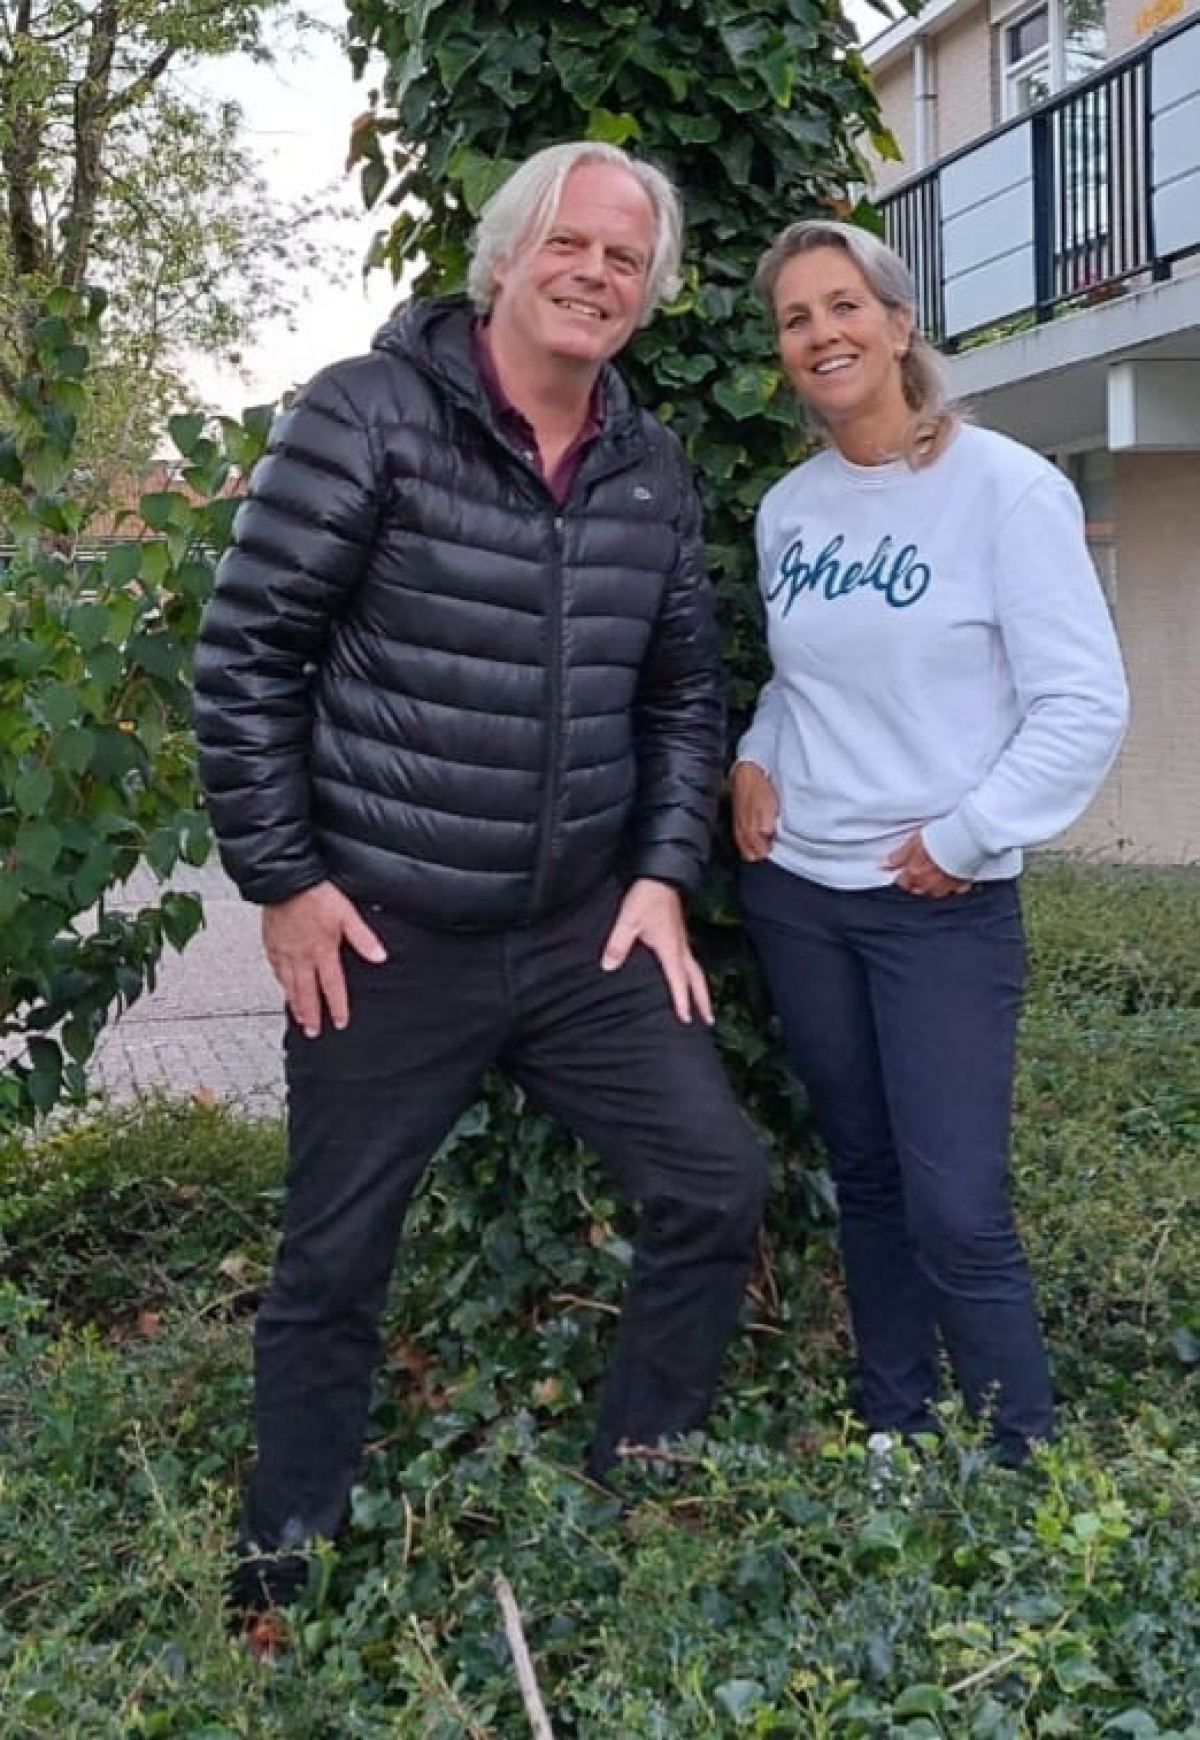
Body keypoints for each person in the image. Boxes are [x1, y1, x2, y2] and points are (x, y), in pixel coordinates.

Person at [193, 140, 767, 1645]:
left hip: (580, 934)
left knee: (715, 1183)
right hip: (387, 939)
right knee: (333, 1263)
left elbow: (684, 697)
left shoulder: (648, 467)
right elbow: (246, 657)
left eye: (625, 259)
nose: (594, 274)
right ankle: (282, 1572)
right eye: (568, 243)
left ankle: (635, 1494)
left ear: (647, 295)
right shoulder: (366, 416)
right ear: (506, 257)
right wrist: (286, 882)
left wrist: (661, 874)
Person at [731, 219, 1128, 1467]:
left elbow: (1082, 703)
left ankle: (1018, 1462)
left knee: (957, 1204)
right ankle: (894, 1434)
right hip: (801, 895)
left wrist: (968, 835)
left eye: (844, 305)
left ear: (900, 325)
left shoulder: (1006, 489)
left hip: (938, 907)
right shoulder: (788, 511)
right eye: (796, 319)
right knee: (867, 1178)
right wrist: (755, 752)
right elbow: (804, 680)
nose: (822, 334)